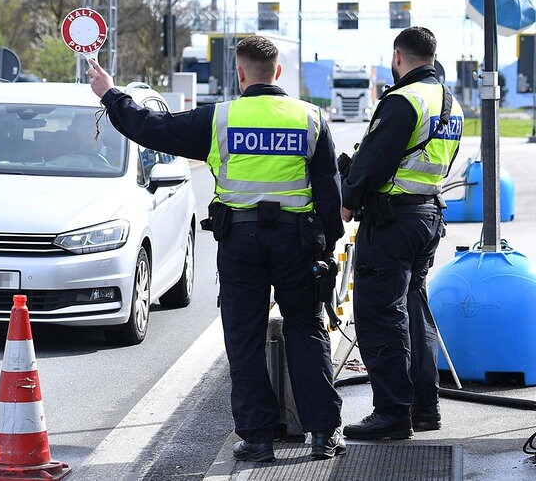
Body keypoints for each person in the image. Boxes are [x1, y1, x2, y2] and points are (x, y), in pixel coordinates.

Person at [87, 35, 345, 462]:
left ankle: (259, 439)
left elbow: (151, 128)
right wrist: (327, 245)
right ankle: (321, 434)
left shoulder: (220, 119)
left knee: (243, 336)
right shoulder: (310, 118)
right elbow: (328, 192)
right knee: (306, 328)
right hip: (297, 242)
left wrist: (110, 94)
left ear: (240, 74)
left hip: (241, 241)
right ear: (277, 72)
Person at [340, 26, 463, 440]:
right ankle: (425, 408)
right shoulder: (451, 102)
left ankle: (392, 413)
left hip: (392, 223)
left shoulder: (402, 100)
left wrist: (348, 196)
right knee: (413, 311)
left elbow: (372, 163)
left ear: (398, 57)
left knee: (379, 314)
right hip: (428, 215)